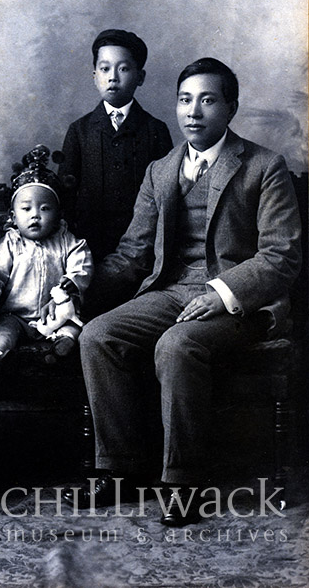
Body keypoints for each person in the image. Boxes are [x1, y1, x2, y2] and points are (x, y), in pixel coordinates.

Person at [63, 58, 302, 526]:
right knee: (97, 335)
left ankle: (184, 482)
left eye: (208, 100)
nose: (194, 111)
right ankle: (121, 471)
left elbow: (280, 256)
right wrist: (80, 284)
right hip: (171, 291)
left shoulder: (265, 166)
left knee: (177, 344)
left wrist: (221, 292)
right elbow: (133, 254)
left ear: (230, 108)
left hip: (241, 303)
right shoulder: (161, 170)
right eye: (185, 100)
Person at [58, 28, 172, 263]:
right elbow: (66, 198)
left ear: (140, 77)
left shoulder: (155, 130)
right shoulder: (79, 130)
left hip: (142, 248)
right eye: (105, 68)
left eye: (123, 68)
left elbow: (166, 196)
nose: (113, 77)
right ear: (94, 75)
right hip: (87, 247)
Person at [0, 145, 94, 363]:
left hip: (55, 314)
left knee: (72, 327)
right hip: (16, 316)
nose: (35, 216)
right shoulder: (10, 243)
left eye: (45, 209)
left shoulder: (66, 240)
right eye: (26, 209)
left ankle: (61, 345)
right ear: (13, 215)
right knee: (3, 332)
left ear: (58, 214)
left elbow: (81, 261)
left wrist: (72, 281)